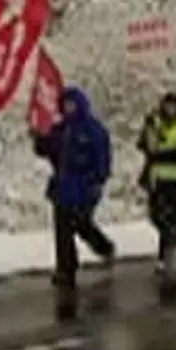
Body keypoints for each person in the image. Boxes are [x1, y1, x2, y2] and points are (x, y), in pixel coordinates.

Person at [31, 86, 115, 295]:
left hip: (84, 187)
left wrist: (98, 179)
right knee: (62, 230)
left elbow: (102, 158)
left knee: (81, 223)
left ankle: (103, 246)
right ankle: (65, 269)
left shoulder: (93, 130)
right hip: (62, 186)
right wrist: (38, 139)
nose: (68, 108)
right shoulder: (59, 129)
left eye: (72, 104)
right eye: (65, 104)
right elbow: (47, 150)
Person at [139, 92, 176, 278]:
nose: (171, 109)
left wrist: (160, 153)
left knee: (174, 217)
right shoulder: (155, 122)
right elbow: (144, 145)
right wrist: (150, 133)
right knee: (158, 215)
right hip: (158, 179)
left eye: (175, 106)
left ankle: (166, 257)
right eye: (168, 105)